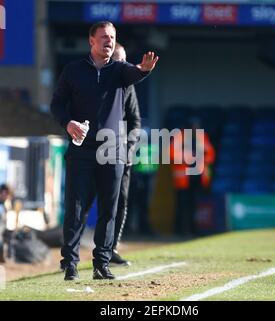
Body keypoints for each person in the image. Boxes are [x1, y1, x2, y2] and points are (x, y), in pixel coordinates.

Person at [50, 21, 158, 281]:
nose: (109, 41)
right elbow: (57, 104)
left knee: (110, 209)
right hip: (81, 149)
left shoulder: (121, 71)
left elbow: (135, 74)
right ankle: (71, 264)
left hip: (113, 150)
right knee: (75, 208)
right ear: (91, 41)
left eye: (112, 37)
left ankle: (101, 264)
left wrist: (143, 70)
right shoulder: (73, 70)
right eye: (104, 37)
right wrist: (68, 123)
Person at [109, 42, 141, 266]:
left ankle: (111, 249)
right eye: (118, 61)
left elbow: (135, 120)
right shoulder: (94, 81)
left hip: (120, 152)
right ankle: (69, 255)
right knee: (85, 202)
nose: (123, 65)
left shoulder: (129, 85)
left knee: (121, 201)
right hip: (94, 150)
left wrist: (128, 148)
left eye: (125, 61)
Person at [170, 118, 215, 236]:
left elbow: (210, 154)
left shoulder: (202, 136)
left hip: (198, 177)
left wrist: (200, 158)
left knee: (195, 204)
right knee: (182, 205)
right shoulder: (179, 136)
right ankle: (181, 230)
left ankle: (195, 229)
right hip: (183, 178)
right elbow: (172, 153)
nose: (196, 128)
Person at [0, 184, 11, 263]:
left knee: (11, 236)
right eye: (4, 194)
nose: (6, 196)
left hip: (3, 228)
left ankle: (7, 257)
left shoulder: (4, 204)